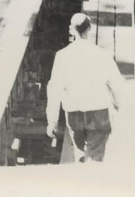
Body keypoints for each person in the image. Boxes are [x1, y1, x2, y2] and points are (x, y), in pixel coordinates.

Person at [45, 13, 122, 163]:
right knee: (95, 158)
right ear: (90, 28)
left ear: (71, 30)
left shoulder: (62, 56)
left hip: (74, 113)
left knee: (80, 155)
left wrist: (52, 121)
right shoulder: (102, 54)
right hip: (99, 111)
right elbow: (117, 85)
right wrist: (117, 105)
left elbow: (54, 90)